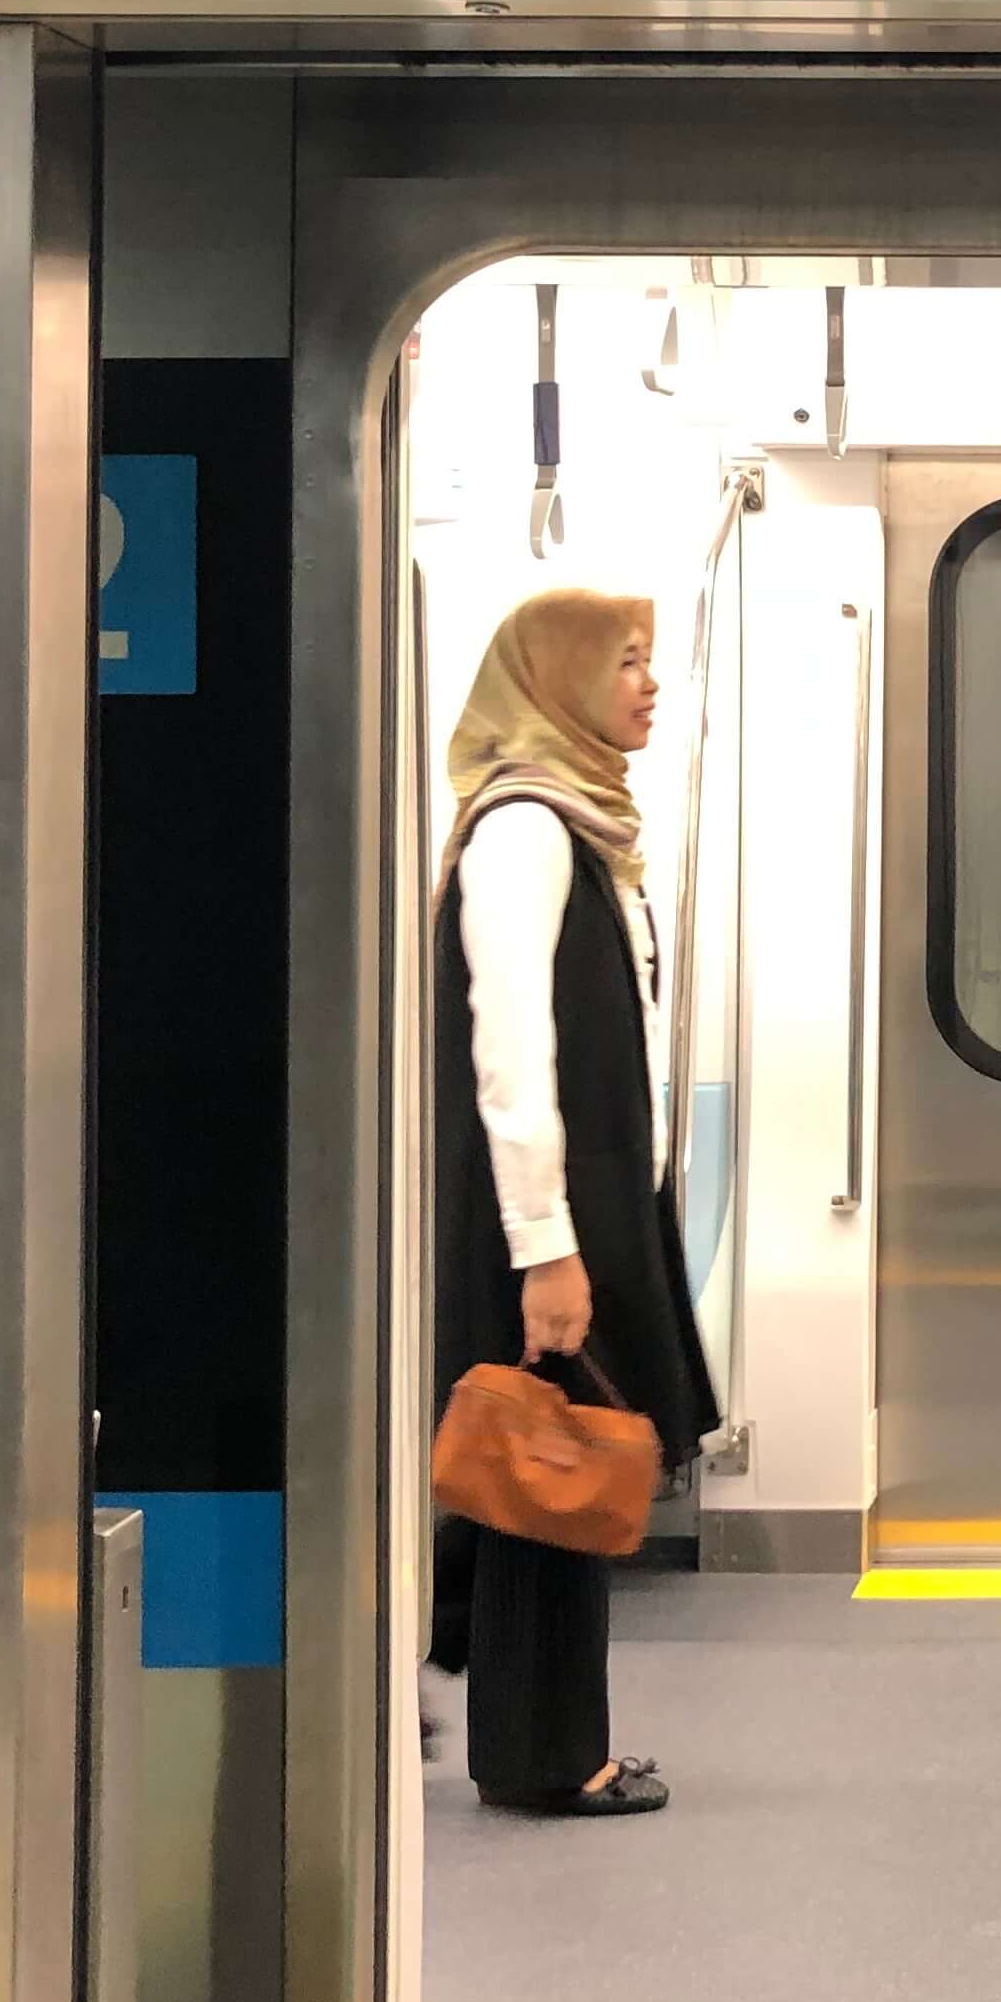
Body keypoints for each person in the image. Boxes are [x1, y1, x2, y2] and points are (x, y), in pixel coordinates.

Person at [429, 587, 718, 1817]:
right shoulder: (526, 832)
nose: (649, 685)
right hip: (537, 1215)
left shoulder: (577, 821)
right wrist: (545, 1244)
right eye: (627, 663)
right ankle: (551, 1754)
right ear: (557, 680)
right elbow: (512, 1050)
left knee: (548, 1469)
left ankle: (529, 1728)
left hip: (573, 1206)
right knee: (546, 1474)